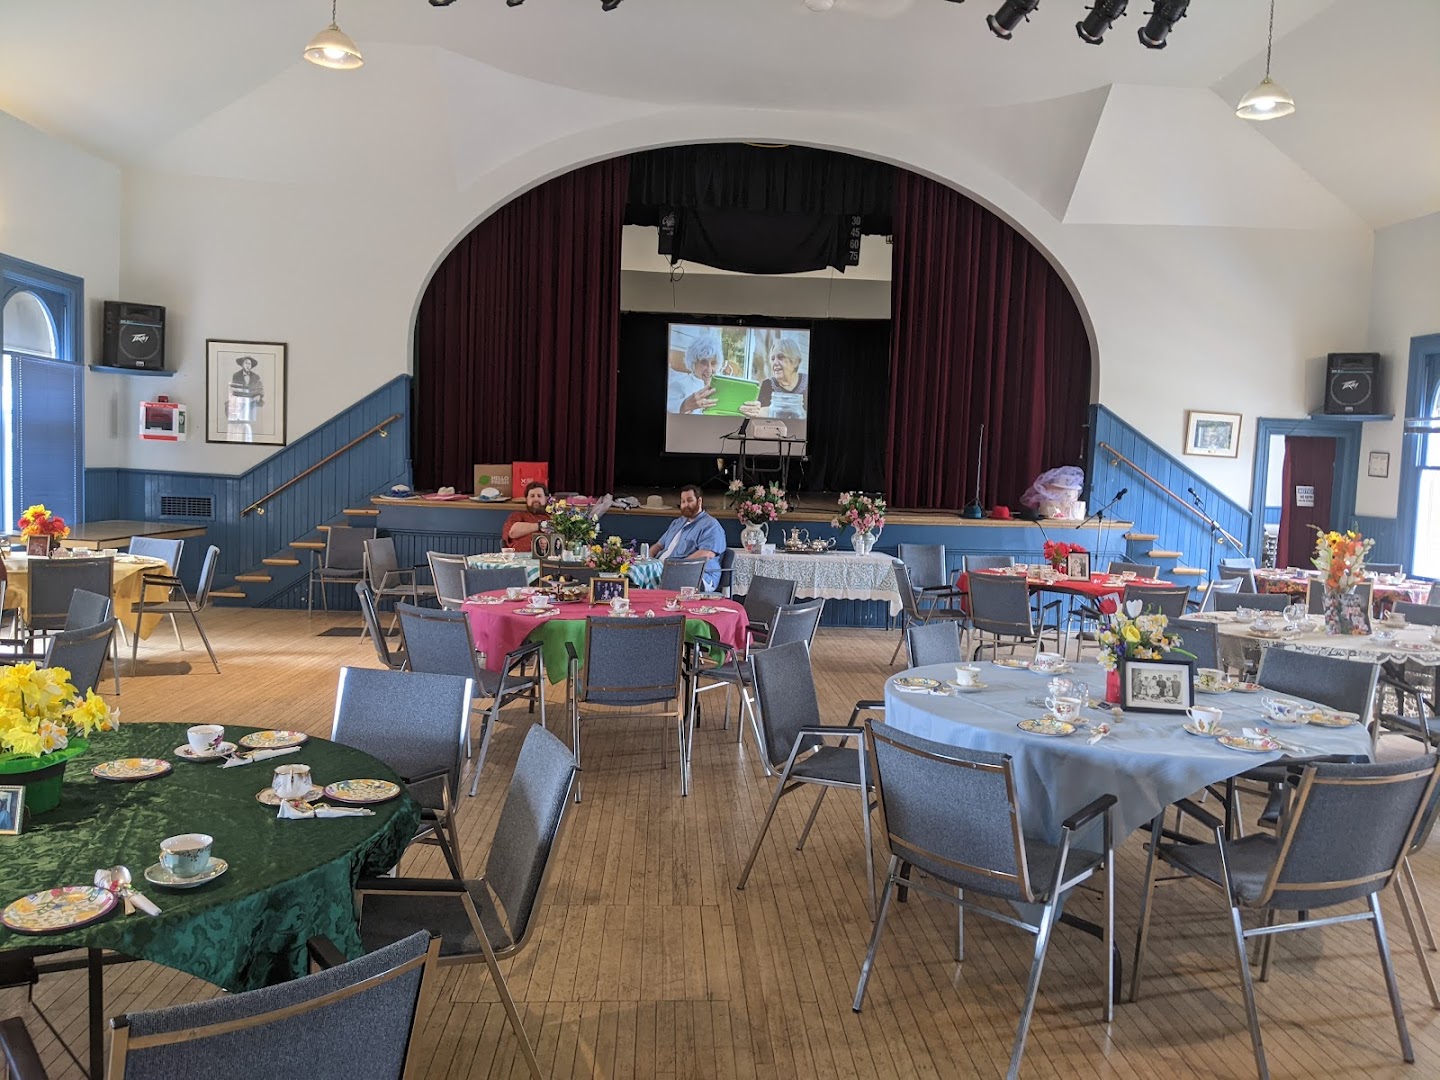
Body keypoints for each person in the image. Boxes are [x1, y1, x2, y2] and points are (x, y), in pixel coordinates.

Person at [649, 484, 727, 591]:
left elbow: (707, 554)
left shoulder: (711, 525)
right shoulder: (677, 522)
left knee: (648, 583)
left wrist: (677, 566)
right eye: (683, 501)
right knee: (633, 576)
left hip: (696, 575)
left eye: (689, 500)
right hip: (664, 570)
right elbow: (658, 545)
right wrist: (648, 559)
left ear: (699, 501)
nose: (686, 505)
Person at [741, 335, 808, 419]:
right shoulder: (768, 384)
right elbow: (761, 417)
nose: (775, 363)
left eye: (781, 357)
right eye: (773, 359)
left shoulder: (808, 382)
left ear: (795, 362)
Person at [667, 333, 721, 415]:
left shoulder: (720, 387)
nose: (709, 370)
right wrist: (684, 406)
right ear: (693, 363)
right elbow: (669, 407)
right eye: (703, 362)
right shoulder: (681, 383)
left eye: (713, 363)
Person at [501, 482, 550, 552]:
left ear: (546, 498)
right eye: (532, 496)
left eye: (539, 496)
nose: (536, 499)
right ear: (526, 499)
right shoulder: (517, 516)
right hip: (519, 557)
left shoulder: (553, 518)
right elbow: (512, 532)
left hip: (547, 557)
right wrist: (541, 525)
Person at [227, 355, 264, 442]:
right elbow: (233, 390)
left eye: (249, 364)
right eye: (246, 363)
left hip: (252, 404)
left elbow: (261, 390)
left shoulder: (256, 377)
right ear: (242, 365)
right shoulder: (236, 375)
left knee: (251, 425)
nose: (248, 365)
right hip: (239, 403)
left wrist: (258, 396)